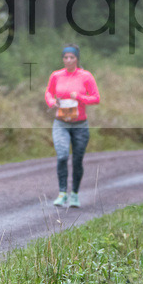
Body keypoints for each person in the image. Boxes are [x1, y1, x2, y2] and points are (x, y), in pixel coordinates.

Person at [44, 44, 100, 208]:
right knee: (62, 156)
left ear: (77, 59)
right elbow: (48, 92)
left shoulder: (86, 76)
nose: (68, 60)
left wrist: (81, 97)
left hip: (80, 125)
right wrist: (52, 102)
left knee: (77, 160)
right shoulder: (56, 75)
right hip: (61, 123)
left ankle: (74, 193)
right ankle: (62, 193)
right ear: (63, 59)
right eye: (66, 57)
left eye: (72, 57)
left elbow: (96, 98)